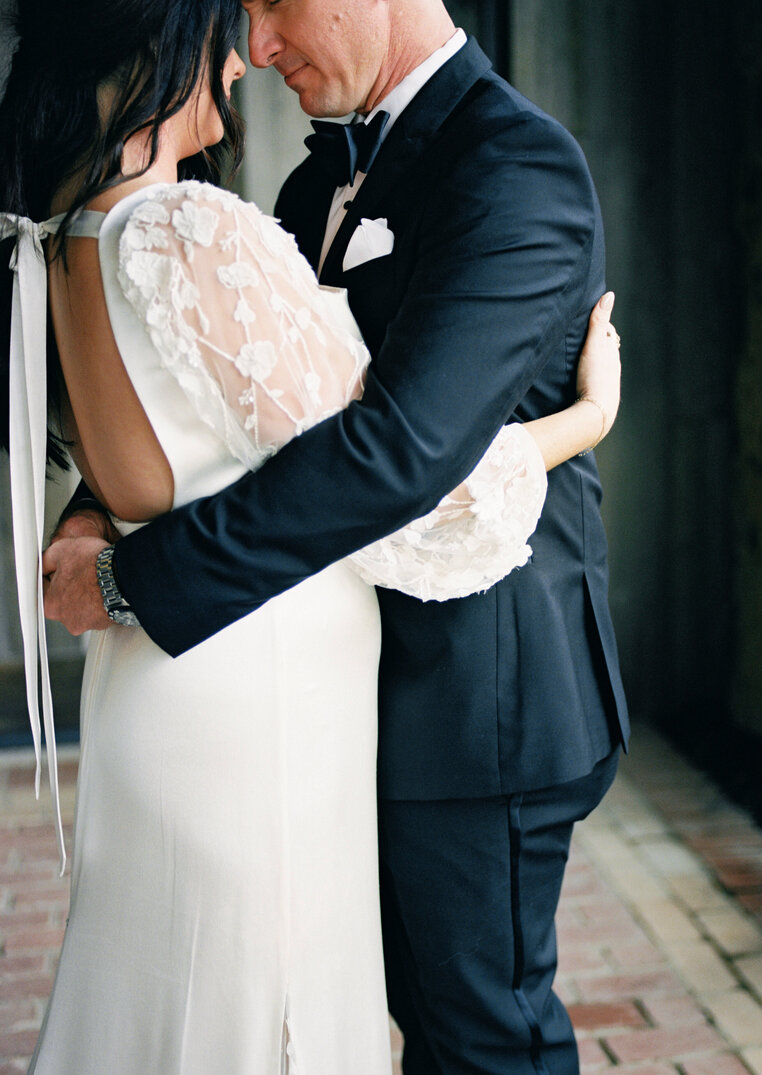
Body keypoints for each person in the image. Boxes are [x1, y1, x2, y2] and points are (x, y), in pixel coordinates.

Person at [0, 0, 621, 1071]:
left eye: (275, 7)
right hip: (309, 695)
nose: (256, 49)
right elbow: (207, 416)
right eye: (237, 21)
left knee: (479, 1042)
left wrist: (133, 574)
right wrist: (102, 512)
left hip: (474, 705)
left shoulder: (516, 166)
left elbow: (395, 456)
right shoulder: (293, 191)